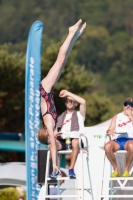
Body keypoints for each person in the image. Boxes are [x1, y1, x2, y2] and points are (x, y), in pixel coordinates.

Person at [38, 19, 87, 178]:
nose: (57, 135)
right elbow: (54, 144)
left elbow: (53, 145)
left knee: (60, 61)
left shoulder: (49, 124)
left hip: (44, 90)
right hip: (48, 91)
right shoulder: (51, 124)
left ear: (48, 133)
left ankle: (71, 33)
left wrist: (55, 166)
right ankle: (75, 36)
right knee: (63, 62)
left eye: (53, 135)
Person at [37, 90, 86, 178]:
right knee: (53, 143)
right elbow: (56, 131)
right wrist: (54, 135)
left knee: (75, 141)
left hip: (76, 140)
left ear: (76, 104)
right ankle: (56, 169)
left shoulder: (80, 114)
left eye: (72, 101)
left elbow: (83, 102)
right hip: (64, 140)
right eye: (67, 101)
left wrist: (68, 94)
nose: (69, 102)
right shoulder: (60, 118)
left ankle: (71, 169)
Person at [104, 97, 133, 177]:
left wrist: (130, 115)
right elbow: (110, 129)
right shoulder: (117, 116)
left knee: (132, 146)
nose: (128, 106)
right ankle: (115, 169)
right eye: (126, 104)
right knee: (107, 146)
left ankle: (126, 169)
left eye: (130, 105)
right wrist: (110, 131)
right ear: (123, 106)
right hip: (118, 140)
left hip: (130, 140)